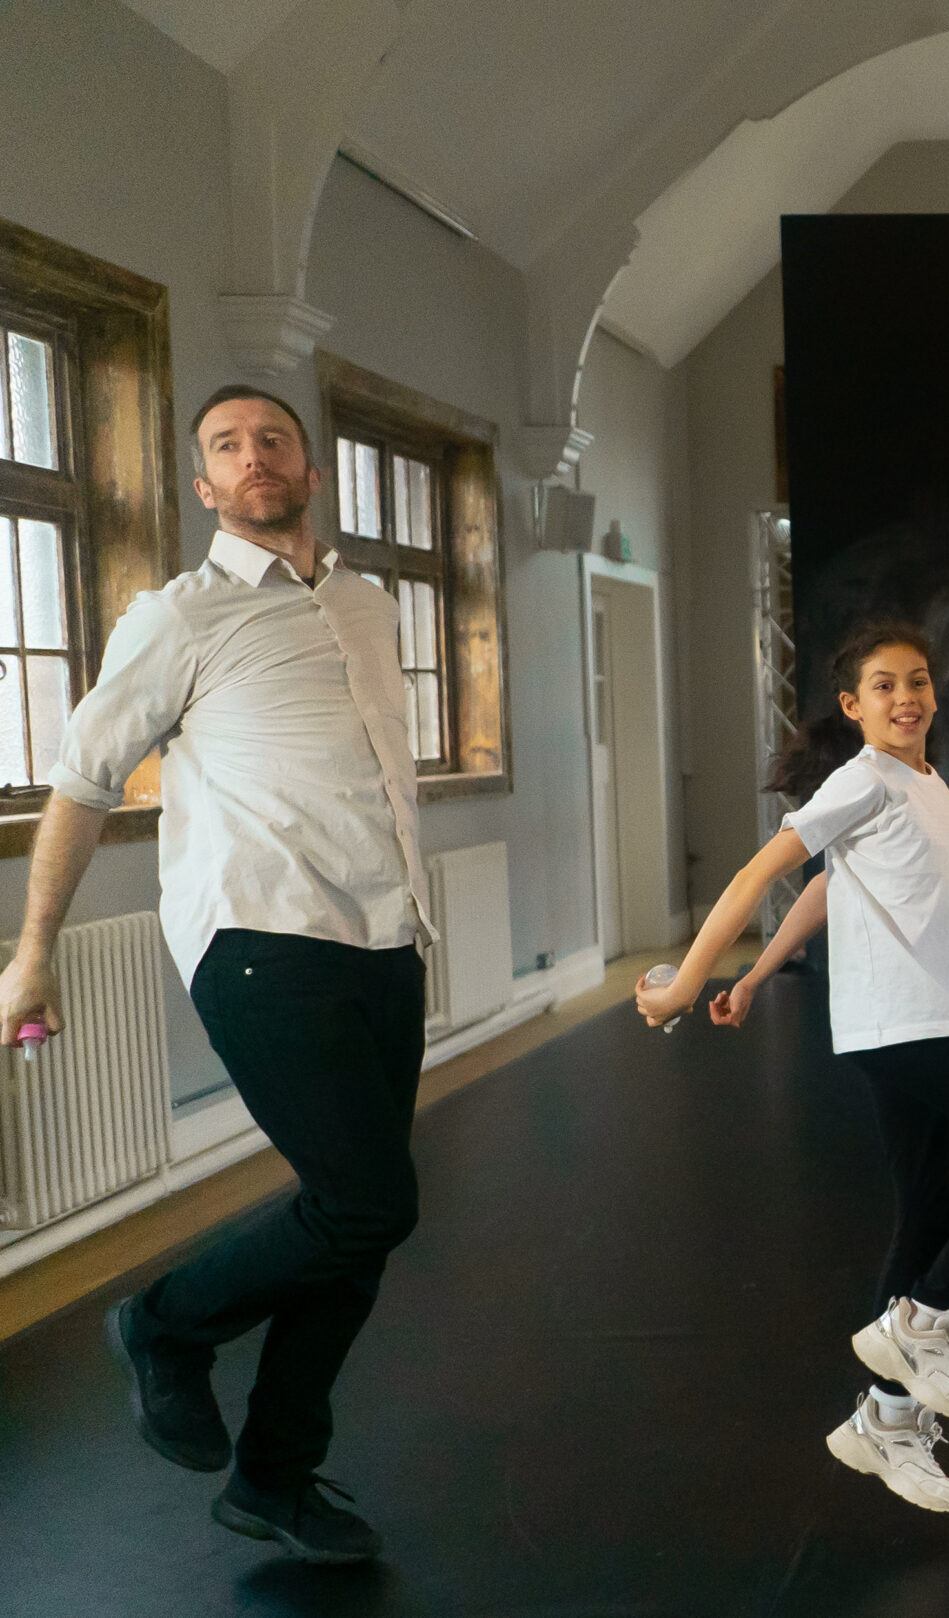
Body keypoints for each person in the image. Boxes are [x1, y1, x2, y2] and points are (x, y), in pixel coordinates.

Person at [0, 386, 435, 1564]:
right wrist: (31, 949)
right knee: (367, 1201)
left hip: (386, 937)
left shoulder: (367, 604)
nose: (255, 459)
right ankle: (161, 1323)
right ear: (204, 487)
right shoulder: (176, 618)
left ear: (308, 464)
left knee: (355, 1226)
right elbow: (84, 780)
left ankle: (273, 1477)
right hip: (258, 938)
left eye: (273, 440)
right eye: (228, 448)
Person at [637, 622, 949, 1514]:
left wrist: (759, 974)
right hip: (901, 1022)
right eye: (883, 686)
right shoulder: (863, 776)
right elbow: (766, 867)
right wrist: (688, 978)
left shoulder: (923, 783)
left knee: (925, 1213)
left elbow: (834, 886)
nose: (905, 698)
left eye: (916, 682)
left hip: (922, 1014)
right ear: (852, 705)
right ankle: (925, 1319)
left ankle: (883, 1423)